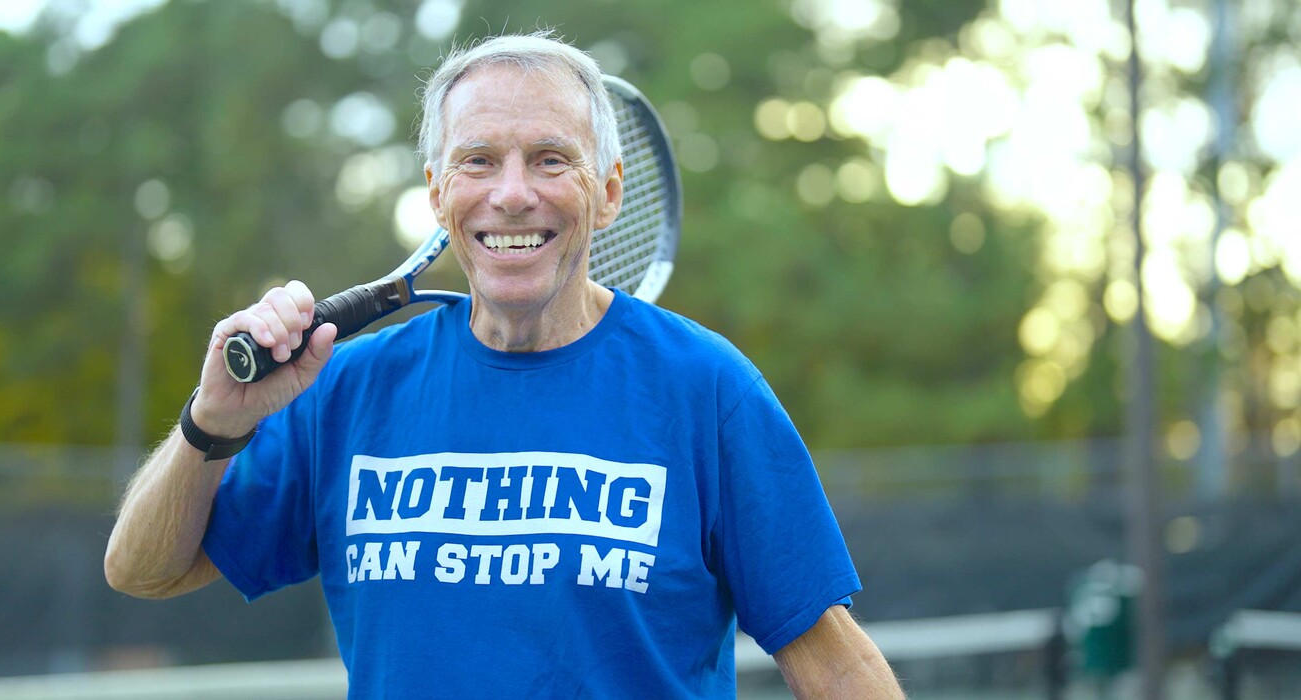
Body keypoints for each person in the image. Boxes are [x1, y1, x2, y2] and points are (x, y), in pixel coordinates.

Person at [104, 32, 903, 698]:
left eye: (551, 159)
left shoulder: (706, 390)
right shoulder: (345, 389)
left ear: (611, 191)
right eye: (478, 161)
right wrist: (213, 424)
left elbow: (833, 664)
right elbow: (143, 572)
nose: (512, 193)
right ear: (437, 192)